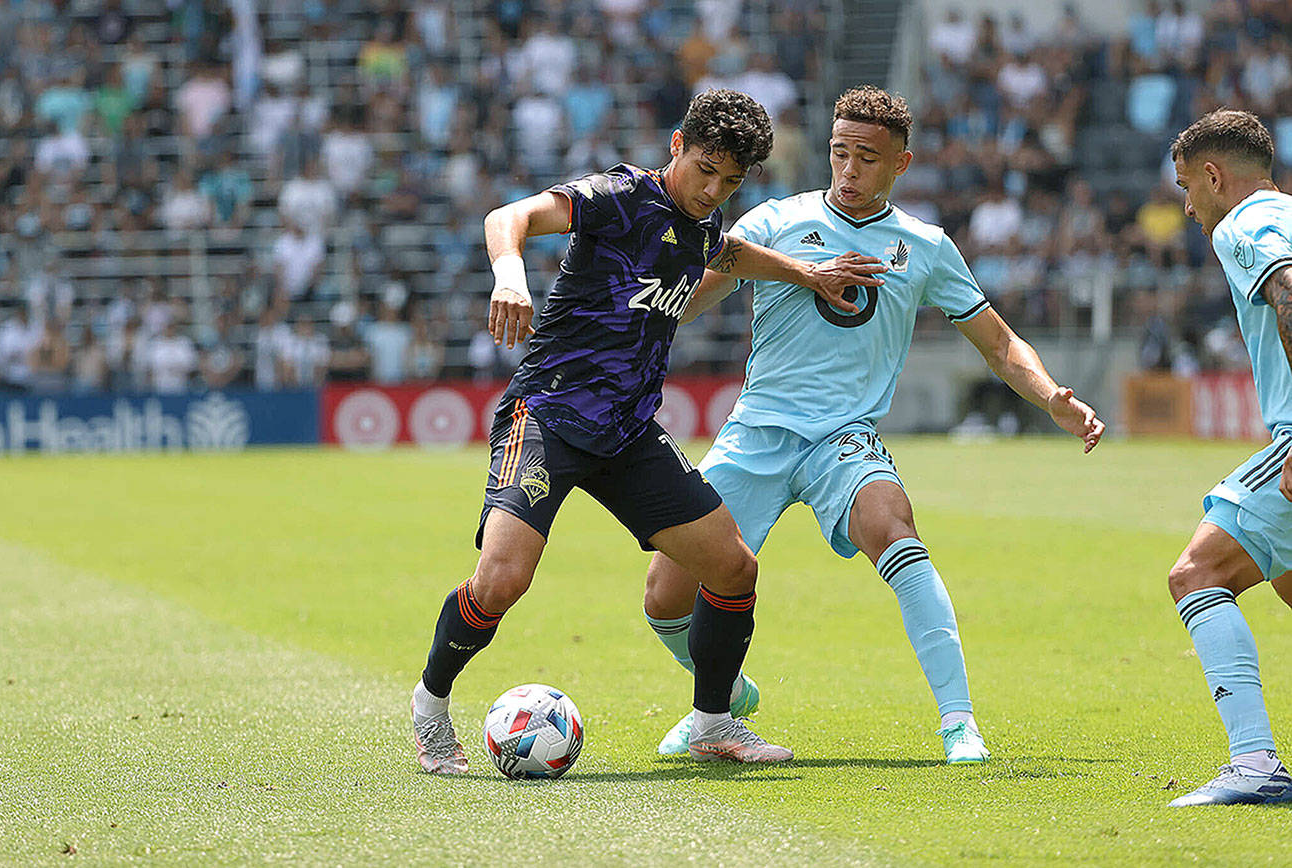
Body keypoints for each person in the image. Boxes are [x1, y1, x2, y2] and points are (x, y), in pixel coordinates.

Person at [410, 89, 886, 773]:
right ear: (676, 146)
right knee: (503, 579)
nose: (712, 189)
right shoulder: (617, 196)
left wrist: (806, 273)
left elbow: (728, 254)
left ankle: (714, 723)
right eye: (704, 169)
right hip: (549, 415)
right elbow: (507, 215)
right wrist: (509, 276)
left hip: (629, 433)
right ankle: (431, 704)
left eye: (729, 180)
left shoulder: (700, 222)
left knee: (732, 567)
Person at [643, 86, 1105, 764]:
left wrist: (1051, 397)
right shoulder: (775, 221)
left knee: (896, 530)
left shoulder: (924, 246)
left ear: (902, 165)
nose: (849, 172)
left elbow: (1000, 344)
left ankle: (959, 723)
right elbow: (684, 302)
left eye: (867, 158)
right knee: (664, 598)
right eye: (839, 154)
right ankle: (723, 699)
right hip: (758, 431)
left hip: (844, 439)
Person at [1164, 109, 1292, 806]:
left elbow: (1289, 289)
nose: (1188, 207)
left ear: (1214, 175)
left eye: (1188, 187)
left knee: (1197, 573)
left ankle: (1254, 766)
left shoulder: (1245, 224)